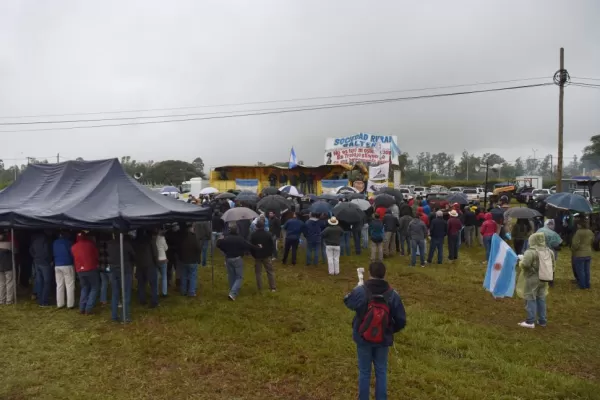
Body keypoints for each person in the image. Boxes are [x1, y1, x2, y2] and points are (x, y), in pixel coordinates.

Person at [343, 262, 407, 400]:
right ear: (385, 274)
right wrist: (389, 329)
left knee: (364, 372)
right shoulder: (393, 294)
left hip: (362, 337)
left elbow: (348, 302)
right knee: (381, 370)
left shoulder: (361, 290)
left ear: (369, 273)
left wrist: (356, 288)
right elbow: (401, 320)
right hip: (383, 339)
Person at [518, 232, 555, 328]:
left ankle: (530, 322)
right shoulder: (549, 251)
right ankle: (542, 321)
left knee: (530, 298)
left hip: (532, 278)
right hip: (544, 278)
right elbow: (553, 266)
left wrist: (521, 260)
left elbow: (525, 265)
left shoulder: (530, 252)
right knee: (541, 298)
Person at [217, 224, 260, 300]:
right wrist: (257, 247)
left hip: (228, 259)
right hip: (237, 259)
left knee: (231, 276)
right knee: (239, 277)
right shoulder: (240, 239)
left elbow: (218, 245)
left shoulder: (226, 239)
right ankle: (233, 293)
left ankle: (232, 291)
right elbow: (248, 246)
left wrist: (220, 240)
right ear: (237, 231)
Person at [107, 232, 136, 322]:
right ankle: (125, 316)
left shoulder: (109, 244)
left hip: (113, 270)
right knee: (126, 293)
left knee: (115, 293)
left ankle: (114, 316)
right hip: (125, 269)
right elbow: (133, 255)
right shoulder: (126, 244)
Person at [71, 232, 100, 315]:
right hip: (91, 268)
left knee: (84, 287)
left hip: (80, 270)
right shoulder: (90, 244)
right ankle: (88, 308)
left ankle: (82, 308)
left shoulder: (73, 247)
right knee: (94, 287)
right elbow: (96, 255)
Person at [134, 229, 159, 308]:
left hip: (139, 264)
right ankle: (154, 301)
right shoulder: (150, 240)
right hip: (150, 264)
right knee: (153, 284)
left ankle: (142, 300)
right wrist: (156, 263)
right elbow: (155, 253)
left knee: (141, 283)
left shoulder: (135, 242)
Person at [250, 220, 276, 291]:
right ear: (264, 226)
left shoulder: (253, 235)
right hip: (267, 256)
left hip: (257, 256)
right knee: (270, 271)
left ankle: (260, 288)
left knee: (258, 273)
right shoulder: (268, 234)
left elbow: (251, 246)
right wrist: (270, 253)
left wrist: (253, 254)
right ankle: (273, 287)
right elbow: (272, 245)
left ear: (256, 226)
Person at [52, 231, 75, 309]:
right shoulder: (68, 243)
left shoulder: (55, 242)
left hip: (57, 265)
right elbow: (72, 253)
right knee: (69, 285)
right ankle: (70, 304)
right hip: (67, 264)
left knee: (59, 285)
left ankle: (60, 303)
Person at [30, 231, 53, 306]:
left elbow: (31, 250)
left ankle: (40, 300)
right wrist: (49, 260)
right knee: (47, 282)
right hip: (45, 263)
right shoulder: (46, 240)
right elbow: (47, 252)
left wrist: (35, 257)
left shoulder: (35, 240)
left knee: (39, 281)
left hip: (37, 262)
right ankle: (44, 301)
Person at [179, 225, 202, 297]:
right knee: (192, 276)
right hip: (193, 260)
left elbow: (179, 248)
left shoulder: (182, 238)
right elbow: (198, 248)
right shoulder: (195, 237)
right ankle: (191, 292)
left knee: (184, 275)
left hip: (184, 260)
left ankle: (183, 291)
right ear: (191, 229)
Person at [571, 219, 593, 289]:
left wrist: (573, 250)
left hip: (579, 254)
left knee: (580, 271)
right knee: (587, 270)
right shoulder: (590, 232)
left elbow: (575, 244)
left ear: (580, 225)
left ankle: (582, 285)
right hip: (588, 253)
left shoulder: (578, 232)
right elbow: (592, 240)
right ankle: (587, 284)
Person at [0, 233, 15, 305]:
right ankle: (9, 300)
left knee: (1, 284)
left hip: (0, 267)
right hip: (8, 266)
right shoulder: (9, 244)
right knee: (9, 283)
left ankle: (1, 300)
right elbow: (15, 251)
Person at [97, 233, 110, 306]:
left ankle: (103, 300)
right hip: (109, 267)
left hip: (101, 267)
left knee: (104, 284)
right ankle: (116, 299)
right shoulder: (110, 246)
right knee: (114, 284)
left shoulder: (98, 246)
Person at [156, 229, 169, 297]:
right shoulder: (162, 238)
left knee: (157, 277)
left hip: (156, 260)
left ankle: (157, 292)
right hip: (163, 258)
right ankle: (164, 292)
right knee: (164, 276)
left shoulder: (153, 239)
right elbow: (166, 248)